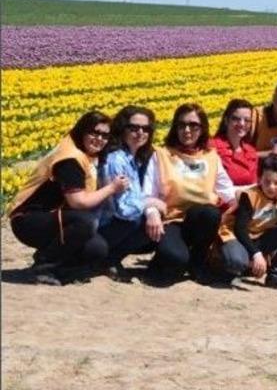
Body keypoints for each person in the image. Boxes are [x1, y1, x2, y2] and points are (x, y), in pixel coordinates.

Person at [8, 111, 129, 285]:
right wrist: (112, 188)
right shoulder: (70, 159)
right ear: (81, 132)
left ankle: (59, 266)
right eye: (94, 133)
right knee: (85, 222)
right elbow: (78, 202)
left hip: (53, 217)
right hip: (28, 220)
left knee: (98, 248)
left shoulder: (84, 153)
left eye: (104, 135)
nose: (99, 139)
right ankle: (44, 266)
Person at [150, 103, 236, 284]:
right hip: (172, 219)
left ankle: (198, 260)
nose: (187, 130)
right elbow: (148, 190)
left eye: (193, 125)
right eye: (182, 125)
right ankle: (169, 259)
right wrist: (152, 213)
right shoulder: (162, 154)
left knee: (210, 212)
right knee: (175, 259)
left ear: (202, 128)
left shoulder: (210, 156)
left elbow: (228, 191)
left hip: (201, 221)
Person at [217, 155, 277, 291]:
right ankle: (230, 269)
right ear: (259, 180)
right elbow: (240, 229)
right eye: (267, 181)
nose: (271, 187)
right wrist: (256, 254)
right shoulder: (249, 196)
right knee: (236, 262)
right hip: (237, 238)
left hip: (258, 238)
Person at [98, 105, 166, 281]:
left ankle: (110, 259)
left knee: (151, 219)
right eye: (133, 128)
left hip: (114, 224)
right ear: (122, 129)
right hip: (105, 226)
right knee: (145, 220)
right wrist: (150, 203)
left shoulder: (131, 158)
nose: (140, 133)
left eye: (145, 129)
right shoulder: (117, 160)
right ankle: (107, 259)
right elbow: (124, 210)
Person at [211, 99, 259, 189]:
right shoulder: (212, 147)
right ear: (226, 120)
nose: (241, 124)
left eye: (247, 120)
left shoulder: (251, 151)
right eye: (236, 119)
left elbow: (254, 184)